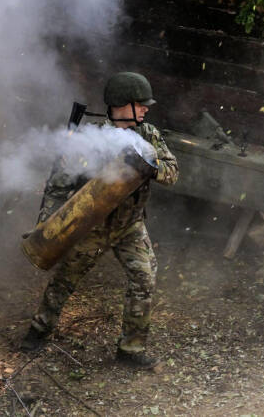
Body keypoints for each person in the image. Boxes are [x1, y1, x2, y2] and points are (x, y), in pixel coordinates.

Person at [21, 72, 179, 367]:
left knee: (144, 280)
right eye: (141, 104)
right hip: (90, 227)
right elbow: (58, 186)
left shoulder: (149, 136)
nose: (146, 109)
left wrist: (149, 165)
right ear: (123, 104)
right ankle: (38, 332)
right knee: (65, 281)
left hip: (130, 225)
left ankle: (130, 350)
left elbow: (172, 172)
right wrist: (44, 226)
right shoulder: (89, 139)